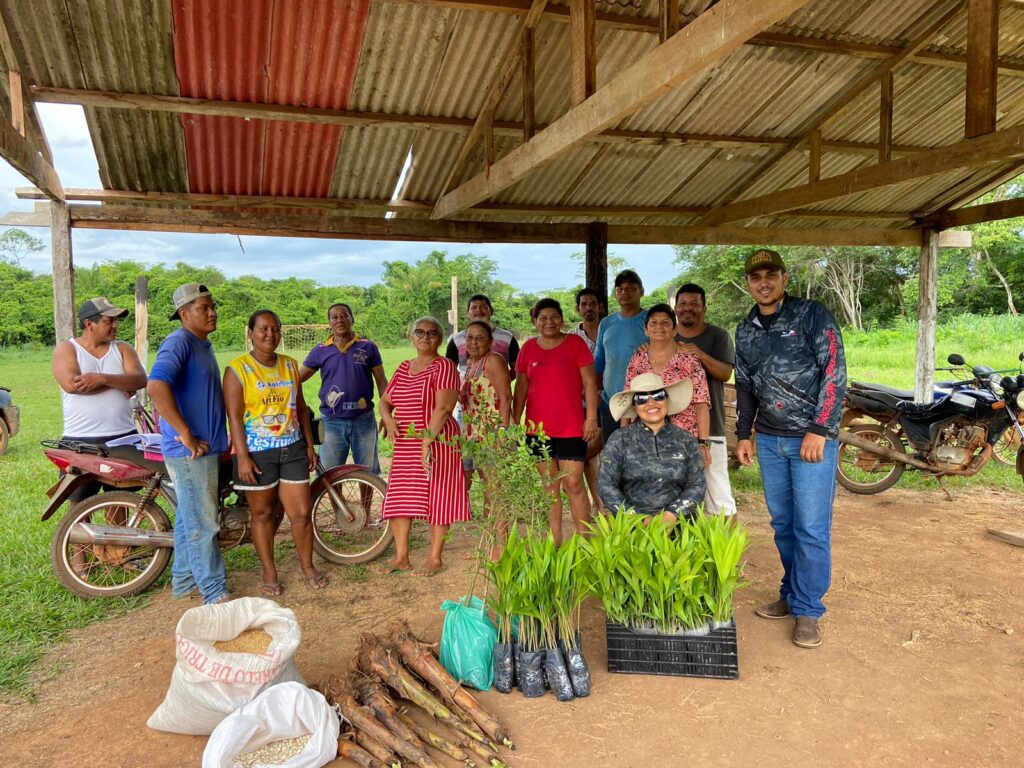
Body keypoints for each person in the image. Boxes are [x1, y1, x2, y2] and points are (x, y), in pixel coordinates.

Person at [734, 249, 846, 650]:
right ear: (748, 283)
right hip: (768, 439)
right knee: (783, 524)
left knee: (811, 527)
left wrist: (820, 428)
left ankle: (808, 609)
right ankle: (792, 593)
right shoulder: (745, 328)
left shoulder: (811, 314)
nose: (762, 282)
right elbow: (744, 384)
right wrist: (743, 433)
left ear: (783, 277)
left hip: (810, 440)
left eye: (770, 275)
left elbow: (835, 371)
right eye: (755, 277)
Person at [225, 310, 327, 596]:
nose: (270, 335)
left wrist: (308, 445)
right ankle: (269, 572)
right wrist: (242, 456)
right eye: (263, 329)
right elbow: (233, 417)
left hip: (292, 448)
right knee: (263, 514)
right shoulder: (237, 369)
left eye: (276, 329)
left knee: (302, 513)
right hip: (256, 454)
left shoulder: (291, 366)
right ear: (251, 333)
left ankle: (307, 567)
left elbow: (301, 410)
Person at [147, 283, 231, 605]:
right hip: (189, 451)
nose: (212, 313)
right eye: (203, 308)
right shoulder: (179, 342)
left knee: (189, 518)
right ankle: (214, 591)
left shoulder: (201, 344)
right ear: (184, 314)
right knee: (203, 523)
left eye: (213, 307)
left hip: (204, 449)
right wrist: (184, 432)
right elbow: (156, 386)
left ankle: (183, 583)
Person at [380, 317, 470, 575]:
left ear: (440, 340)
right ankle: (401, 557)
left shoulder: (445, 367)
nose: (425, 336)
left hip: (438, 440)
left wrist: (427, 442)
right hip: (406, 443)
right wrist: (388, 419)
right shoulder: (403, 368)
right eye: (419, 332)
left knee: (438, 498)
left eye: (432, 333)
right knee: (400, 497)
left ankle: (434, 558)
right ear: (411, 337)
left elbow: (443, 408)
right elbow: (385, 401)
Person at [513, 298, 599, 543]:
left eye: (554, 317)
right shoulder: (528, 349)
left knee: (573, 484)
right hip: (538, 431)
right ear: (535, 321)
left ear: (562, 319)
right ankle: (556, 542)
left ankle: (585, 542)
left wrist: (590, 418)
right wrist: (514, 421)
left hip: (571, 427)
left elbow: (590, 383)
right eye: (543, 318)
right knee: (549, 488)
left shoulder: (575, 344)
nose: (549, 322)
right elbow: (520, 389)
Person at [51, 297, 148, 502]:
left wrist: (101, 378)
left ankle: (116, 536)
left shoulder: (122, 348)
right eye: (108, 321)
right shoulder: (67, 349)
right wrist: (120, 383)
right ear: (89, 324)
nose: (115, 326)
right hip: (80, 439)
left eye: (116, 321)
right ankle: (76, 535)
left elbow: (139, 379)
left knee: (119, 500)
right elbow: (73, 385)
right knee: (79, 505)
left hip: (123, 438)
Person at [599, 373, 705, 524]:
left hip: (680, 525)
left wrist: (673, 514)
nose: (650, 403)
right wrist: (634, 517)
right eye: (641, 399)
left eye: (658, 395)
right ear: (634, 407)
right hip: (630, 527)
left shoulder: (686, 440)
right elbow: (605, 484)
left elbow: (697, 485)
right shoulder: (619, 439)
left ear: (667, 400)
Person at [300, 303, 387, 474]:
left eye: (344, 315)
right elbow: (296, 379)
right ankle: (336, 502)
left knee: (368, 472)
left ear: (352, 319)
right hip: (331, 420)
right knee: (330, 473)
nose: (339, 320)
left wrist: (387, 412)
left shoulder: (367, 347)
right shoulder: (321, 350)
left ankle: (365, 502)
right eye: (334, 317)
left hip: (363, 419)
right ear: (330, 323)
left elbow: (382, 381)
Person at [675, 283, 738, 516]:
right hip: (674, 428)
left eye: (694, 304)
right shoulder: (668, 337)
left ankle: (724, 550)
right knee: (677, 493)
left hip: (710, 426)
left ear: (704, 308)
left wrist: (699, 354)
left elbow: (725, 373)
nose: (688, 309)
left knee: (718, 493)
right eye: (683, 304)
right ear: (675, 307)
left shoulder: (718, 336)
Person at [624, 303, 712, 466]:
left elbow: (702, 402)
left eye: (665, 323)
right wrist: (623, 438)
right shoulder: (637, 358)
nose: (659, 327)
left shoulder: (689, 360)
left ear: (674, 329)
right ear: (646, 329)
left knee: (685, 489)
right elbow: (626, 401)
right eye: (654, 323)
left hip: (683, 440)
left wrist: (703, 442)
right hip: (644, 441)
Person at [594, 270, 648, 440]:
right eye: (620, 289)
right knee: (612, 454)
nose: (625, 292)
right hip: (610, 400)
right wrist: (596, 391)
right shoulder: (606, 323)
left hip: (643, 401)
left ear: (641, 291)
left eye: (631, 288)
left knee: (640, 456)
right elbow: (599, 361)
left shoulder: (650, 320)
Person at [460, 319, 513, 487]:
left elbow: (505, 398)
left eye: (480, 338)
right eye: (469, 338)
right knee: (464, 483)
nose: (473, 342)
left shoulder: (493, 361)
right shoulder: (470, 363)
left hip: (492, 434)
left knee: (492, 489)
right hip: (472, 435)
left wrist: (502, 434)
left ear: (490, 342)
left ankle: (492, 515)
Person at [569, 287, 604, 514]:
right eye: (584, 304)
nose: (588, 308)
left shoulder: (609, 330)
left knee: (601, 452)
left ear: (600, 307)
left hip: (609, 401)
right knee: (588, 455)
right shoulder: (572, 338)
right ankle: (597, 503)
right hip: (579, 405)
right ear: (578, 308)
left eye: (593, 303)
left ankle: (603, 502)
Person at [445, 294, 520, 374]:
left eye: (483, 306)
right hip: (465, 386)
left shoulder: (507, 338)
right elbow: (449, 369)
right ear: (468, 313)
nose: (478, 310)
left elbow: (518, 368)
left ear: (491, 311)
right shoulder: (456, 340)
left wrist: (501, 381)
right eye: (474, 307)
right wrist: (463, 381)